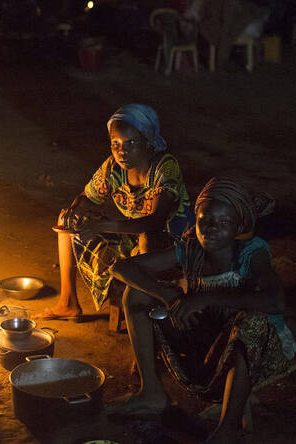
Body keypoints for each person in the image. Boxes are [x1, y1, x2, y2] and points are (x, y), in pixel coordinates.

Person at [110, 177, 296, 443]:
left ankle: (227, 429)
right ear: (195, 218)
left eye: (224, 223)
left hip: (257, 352)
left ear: (238, 227)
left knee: (251, 323)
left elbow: (276, 301)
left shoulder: (250, 253)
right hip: (209, 338)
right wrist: (166, 293)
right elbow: (121, 268)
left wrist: (206, 299)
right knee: (136, 294)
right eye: (204, 220)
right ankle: (151, 391)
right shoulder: (190, 249)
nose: (210, 229)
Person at [34, 104, 191, 320]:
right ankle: (68, 302)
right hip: (134, 238)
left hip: (171, 243)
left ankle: (146, 311)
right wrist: (75, 210)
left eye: (131, 143)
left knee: (146, 238)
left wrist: (101, 226)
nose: (121, 151)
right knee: (66, 220)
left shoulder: (165, 167)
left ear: (148, 141)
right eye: (115, 143)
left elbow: (153, 223)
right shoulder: (114, 168)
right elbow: (87, 197)